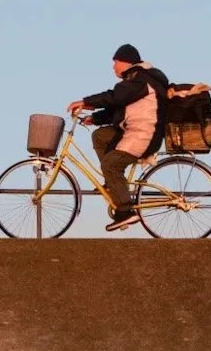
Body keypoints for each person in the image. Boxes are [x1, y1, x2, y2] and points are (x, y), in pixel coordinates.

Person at [69, 43, 169, 231]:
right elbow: (120, 108)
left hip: (145, 134)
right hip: (133, 131)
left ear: (125, 61)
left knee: (110, 164)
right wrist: (95, 118)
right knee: (100, 136)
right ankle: (113, 183)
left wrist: (86, 101)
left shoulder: (140, 79)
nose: (113, 67)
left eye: (115, 62)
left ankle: (125, 211)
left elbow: (115, 97)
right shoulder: (135, 80)